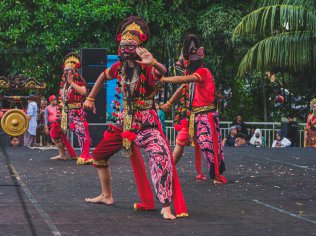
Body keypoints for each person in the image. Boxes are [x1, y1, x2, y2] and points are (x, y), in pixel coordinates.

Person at [83, 16, 188, 219]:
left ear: (139, 47)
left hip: (146, 122)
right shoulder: (119, 68)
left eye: (131, 45)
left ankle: (166, 205)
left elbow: (162, 73)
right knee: (98, 156)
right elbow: (103, 76)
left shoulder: (147, 67)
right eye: (123, 45)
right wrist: (90, 97)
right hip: (124, 120)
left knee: (160, 156)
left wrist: (155, 63)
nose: (126, 49)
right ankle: (106, 195)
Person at [160, 34, 227, 184]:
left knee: (208, 145)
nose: (183, 64)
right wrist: (169, 103)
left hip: (206, 116)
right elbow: (183, 86)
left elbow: (183, 80)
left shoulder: (202, 72)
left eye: (185, 62)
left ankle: (216, 175)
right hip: (192, 117)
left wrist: (164, 79)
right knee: (179, 142)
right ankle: (167, 170)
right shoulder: (192, 74)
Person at [55, 53, 92, 165]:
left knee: (81, 133)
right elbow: (61, 98)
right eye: (65, 70)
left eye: (69, 70)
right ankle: (63, 154)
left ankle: (85, 155)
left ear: (74, 72)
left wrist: (72, 83)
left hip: (76, 111)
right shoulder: (63, 85)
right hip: (64, 112)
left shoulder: (78, 82)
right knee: (55, 131)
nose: (67, 73)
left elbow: (83, 92)